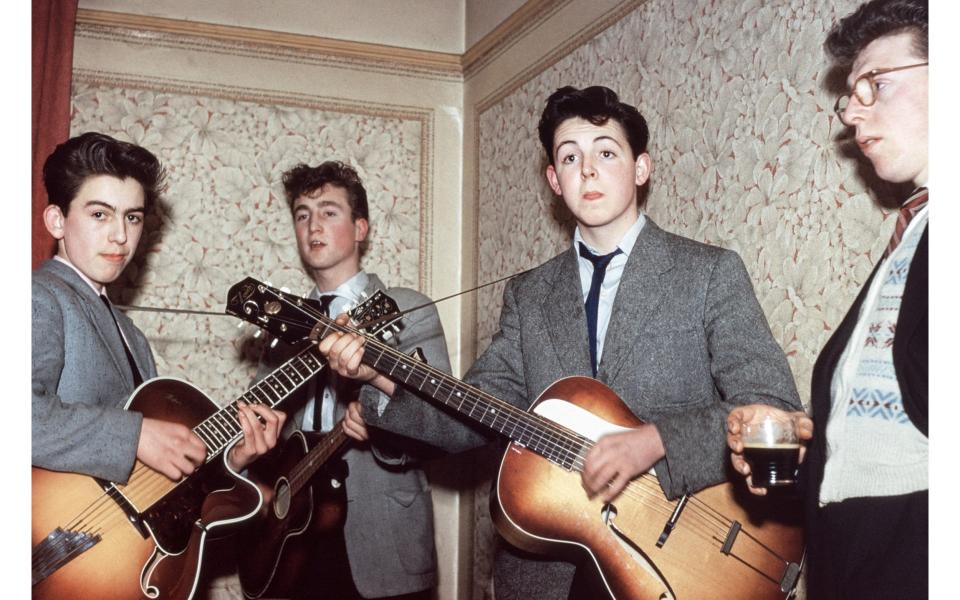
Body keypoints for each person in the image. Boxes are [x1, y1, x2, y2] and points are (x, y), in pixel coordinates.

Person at [319, 86, 802, 599]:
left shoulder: (708, 273)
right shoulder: (529, 295)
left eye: (606, 152)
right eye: (570, 156)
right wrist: (380, 376)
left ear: (641, 168)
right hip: (546, 574)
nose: (587, 169)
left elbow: (772, 407)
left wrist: (657, 441)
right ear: (554, 180)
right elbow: (475, 414)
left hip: (686, 564)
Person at [726, 1, 928, 598]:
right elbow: (884, 443)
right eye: (850, 95)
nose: (853, 113)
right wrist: (794, 454)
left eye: (876, 84)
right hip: (853, 556)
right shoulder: (913, 234)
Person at [32, 131, 284, 485]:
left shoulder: (132, 338)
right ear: (57, 220)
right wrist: (136, 436)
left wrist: (234, 458)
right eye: (100, 215)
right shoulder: (38, 297)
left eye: (132, 218)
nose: (120, 235)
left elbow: (148, 485)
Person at [251, 160, 452, 599]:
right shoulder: (282, 327)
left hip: (382, 542)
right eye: (302, 214)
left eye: (329, 212)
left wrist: (385, 422)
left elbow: (441, 426)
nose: (313, 225)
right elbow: (266, 435)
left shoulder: (407, 309)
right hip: (293, 537)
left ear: (360, 228)